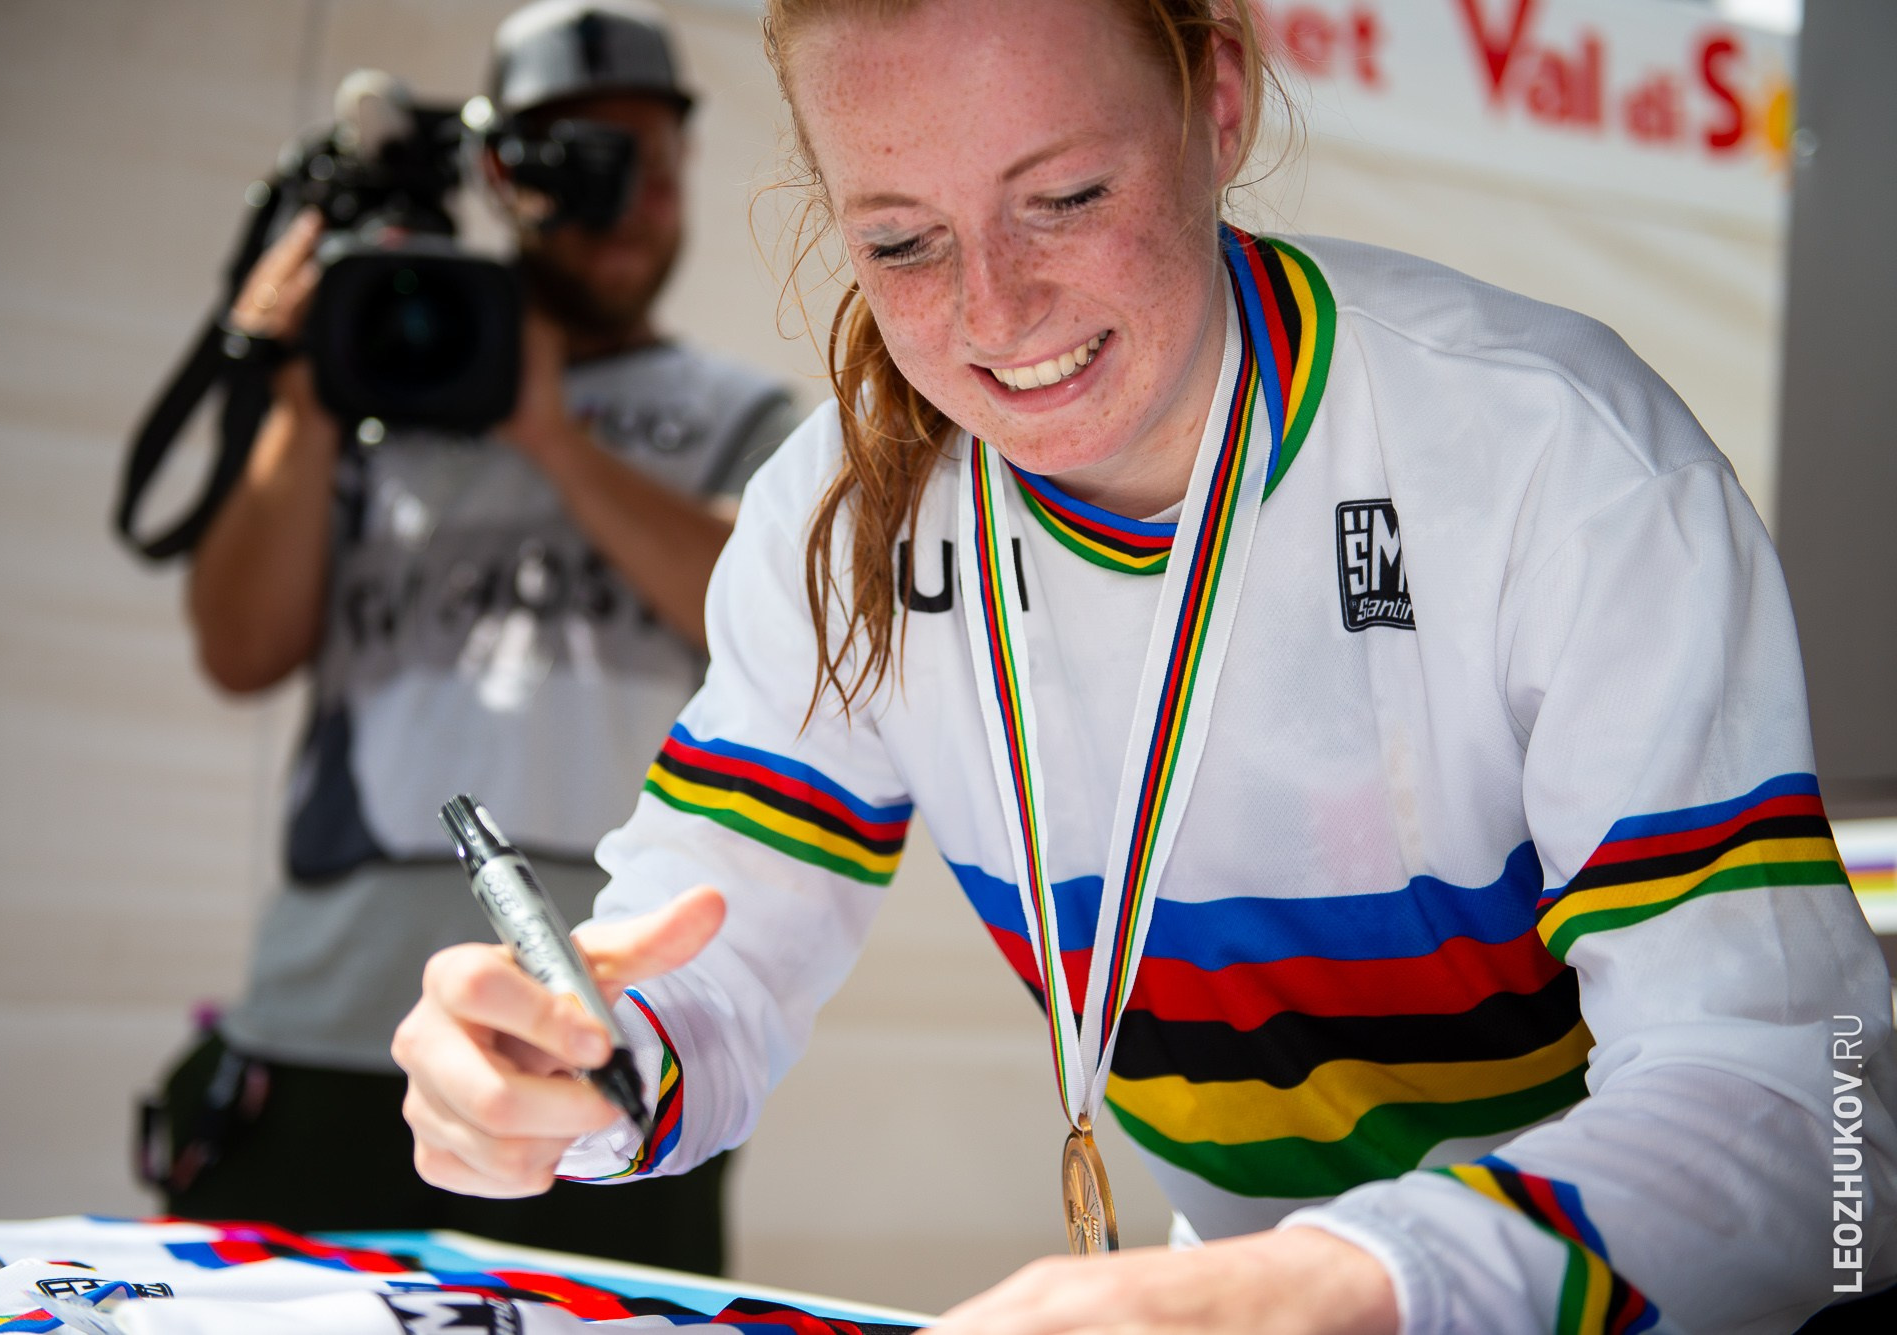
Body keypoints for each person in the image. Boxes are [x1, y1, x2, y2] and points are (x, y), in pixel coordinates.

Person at [390, 0, 1897, 1327]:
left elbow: (1818, 1123)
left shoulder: (1551, 453)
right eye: (899, 241)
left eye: (1064, 197)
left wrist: (1344, 1285)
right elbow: (703, 957)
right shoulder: (839, 512)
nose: (994, 315)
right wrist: (569, 1071)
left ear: (1216, 100)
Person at [156, 0, 798, 1274]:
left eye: (655, 163)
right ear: (501, 177)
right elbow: (238, 648)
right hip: (328, 1025)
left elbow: (771, 617)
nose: (632, 202)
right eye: (584, 164)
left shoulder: (741, 417)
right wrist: (304, 393)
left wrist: (546, 431)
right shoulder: (368, 404)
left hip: (601, 1036)